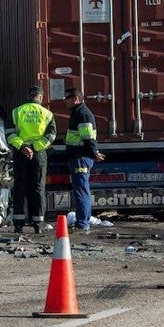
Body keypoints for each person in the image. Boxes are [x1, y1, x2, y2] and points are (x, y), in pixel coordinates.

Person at [8, 85, 56, 234]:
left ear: (28, 96)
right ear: (41, 97)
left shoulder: (17, 112)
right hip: (39, 154)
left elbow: (9, 134)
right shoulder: (47, 114)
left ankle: (18, 224)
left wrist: (23, 147)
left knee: (19, 188)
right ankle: (38, 223)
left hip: (20, 153)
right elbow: (51, 136)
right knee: (38, 189)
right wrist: (35, 148)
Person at [64, 88, 104, 234]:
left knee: (81, 190)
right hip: (79, 156)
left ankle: (82, 223)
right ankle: (83, 221)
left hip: (80, 157)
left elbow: (88, 137)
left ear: (76, 99)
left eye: (67, 98)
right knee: (81, 189)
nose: (65, 101)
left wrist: (94, 153)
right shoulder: (78, 113)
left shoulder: (82, 114)